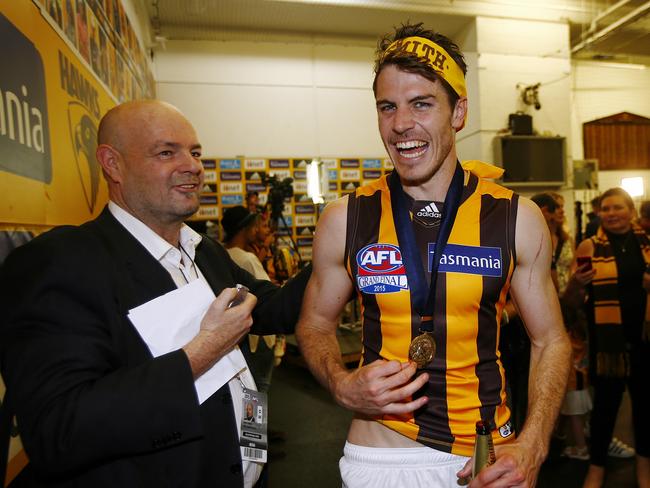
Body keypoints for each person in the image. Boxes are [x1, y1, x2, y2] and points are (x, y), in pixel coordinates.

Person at [296, 22, 571, 487]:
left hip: (486, 458)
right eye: (388, 107)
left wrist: (534, 442)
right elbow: (315, 323)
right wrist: (341, 384)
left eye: (421, 103)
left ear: (458, 112)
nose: (401, 123)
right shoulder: (347, 217)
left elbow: (552, 341)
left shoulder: (514, 217)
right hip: (379, 455)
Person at [0, 100, 310, 488]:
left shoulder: (206, 251)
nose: (193, 166)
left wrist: (348, 249)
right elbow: (59, 430)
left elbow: (273, 308)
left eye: (195, 152)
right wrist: (204, 350)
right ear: (112, 163)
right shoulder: (59, 264)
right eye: (167, 152)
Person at [574, 187, 650, 488]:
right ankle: (597, 468)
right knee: (604, 410)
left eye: (618, 207)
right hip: (608, 346)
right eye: (606, 209)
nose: (612, 213)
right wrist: (577, 286)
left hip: (645, 343)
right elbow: (572, 302)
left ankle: (644, 468)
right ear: (599, 213)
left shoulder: (647, 244)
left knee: (646, 410)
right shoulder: (588, 247)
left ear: (631, 212)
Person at [532, 192, 594, 461]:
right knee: (558, 376)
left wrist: (577, 287)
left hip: (571, 313)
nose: (562, 213)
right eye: (558, 208)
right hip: (544, 315)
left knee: (576, 376)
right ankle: (560, 439)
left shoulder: (567, 241)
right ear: (545, 210)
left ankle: (575, 436)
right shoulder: (533, 238)